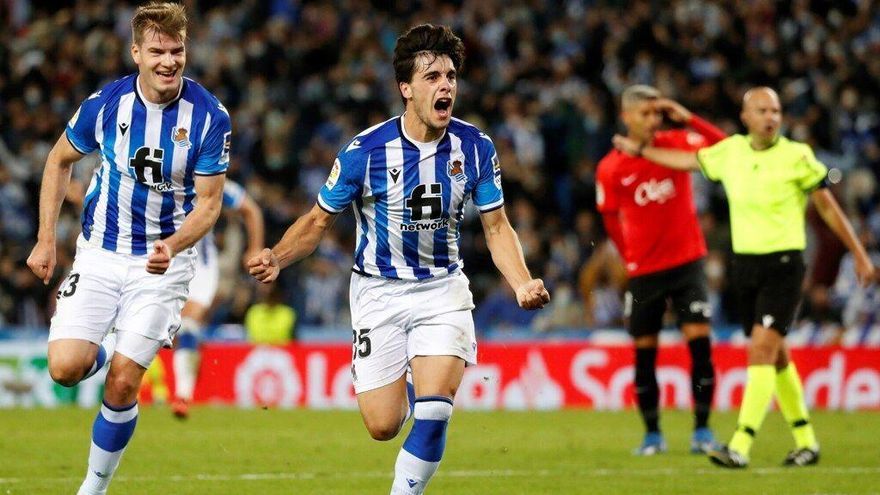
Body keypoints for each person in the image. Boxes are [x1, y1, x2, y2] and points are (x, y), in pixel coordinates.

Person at [248, 24, 550, 495]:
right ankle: (409, 377)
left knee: (435, 408)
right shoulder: (364, 152)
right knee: (383, 425)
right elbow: (316, 222)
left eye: (450, 75)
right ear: (406, 89)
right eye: (432, 77)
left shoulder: (475, 147)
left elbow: (496, 226)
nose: (445, 85)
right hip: (377, 291)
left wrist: (521, 282)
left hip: (441, 289)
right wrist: (278, 257)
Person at [613, 87, 876, 468]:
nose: (771, 117)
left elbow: (829, 208)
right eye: (762, 110)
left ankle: (740, 444)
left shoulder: (797, 156)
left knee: (761, 350)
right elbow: (686, 161)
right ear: (745, 117)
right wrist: (640, 152)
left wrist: (859, 253)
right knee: (777, 354)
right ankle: (806, 440)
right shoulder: (732, 153)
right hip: (746, 268)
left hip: (784, 266)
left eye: (776, 110)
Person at [25, 3, 229, 493]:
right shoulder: (106, 104)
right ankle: (118, 345)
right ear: (135, 52)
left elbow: (209, 204)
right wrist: (45, 239)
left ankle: (92, 488)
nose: (168, 61)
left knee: (122, 382)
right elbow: (58, 161)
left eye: (177, 50)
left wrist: (173, 244)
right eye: (157, 51)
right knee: (66, 368)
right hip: (99, 252)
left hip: (164, 265)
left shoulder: (208, 117)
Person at [597, 85, 726, 456]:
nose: (654, 120)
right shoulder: (611, 167)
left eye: (658, 113)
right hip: (646, 271)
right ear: (627, 117)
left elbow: (726, 150)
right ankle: (652, 434)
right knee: (645, 352)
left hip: (688, 263)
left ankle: (702, 430)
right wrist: (630, 257)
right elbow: (610, 220)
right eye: (645, 113)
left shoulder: (675, 142)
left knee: (700, 345)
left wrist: (688, 117)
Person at [170, 179, 264, 419]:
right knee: (167, 330)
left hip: (199, 266)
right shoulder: (156, 169)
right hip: (155, 262)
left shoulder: (210, 178)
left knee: (187, 325)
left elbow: (250, 209)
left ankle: (183, 394)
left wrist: (254, 248)